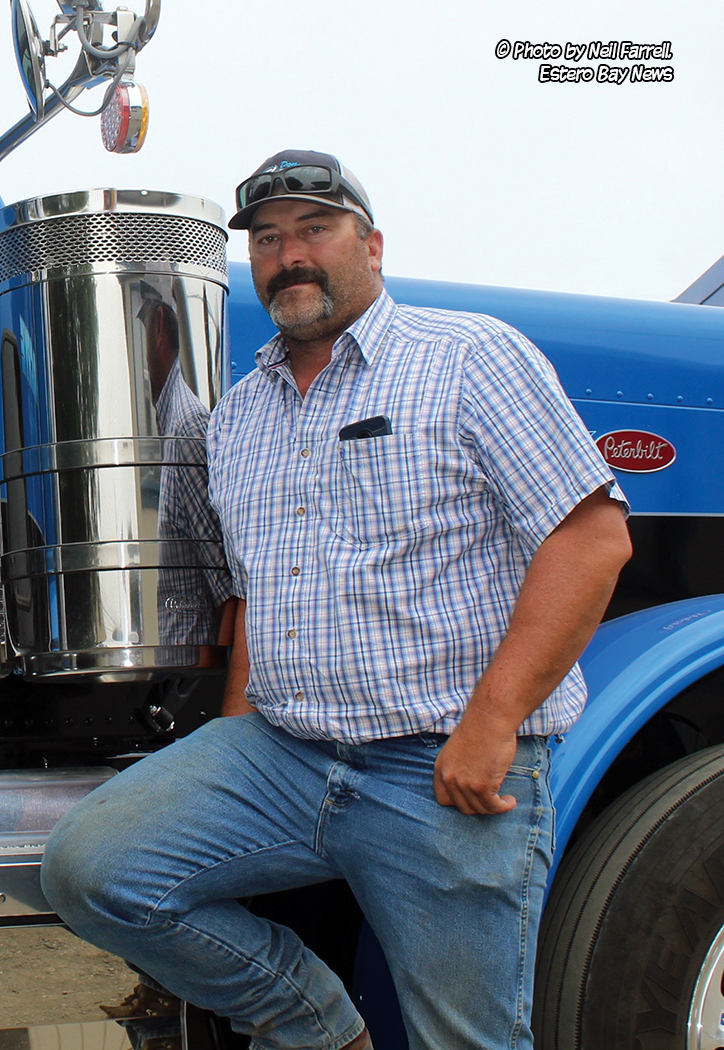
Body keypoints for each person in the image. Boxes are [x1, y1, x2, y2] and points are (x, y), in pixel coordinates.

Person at [41, 149, 632, 1050]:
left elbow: (589, 540)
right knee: (94, 871)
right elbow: (255, 595)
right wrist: (233, 736)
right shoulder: (238, 417)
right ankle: (317, 1028)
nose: (290, 256)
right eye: (267, 239)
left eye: (315, 229)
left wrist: (492, 724)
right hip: (283, 752)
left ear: (371, 244)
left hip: (439, 766)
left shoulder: (469, 356)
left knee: (465, 1040)